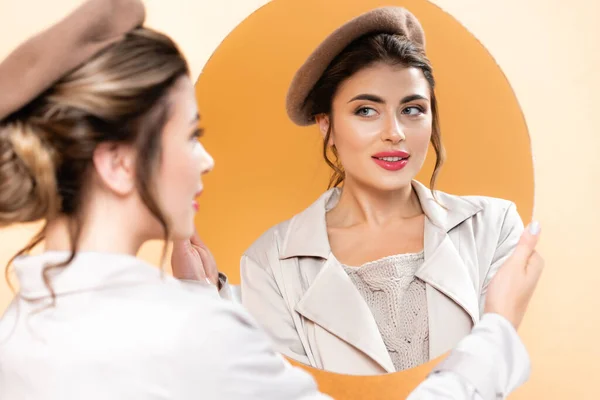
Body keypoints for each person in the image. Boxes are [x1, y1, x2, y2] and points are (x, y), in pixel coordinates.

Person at [0, 1, 544, 399]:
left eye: (413, 109)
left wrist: (209, 299)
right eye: (191, 135)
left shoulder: (15, 331)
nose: (207, 160)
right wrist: (496, 332)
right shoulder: (194, 328)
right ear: (118, 163)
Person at [240, 6, 530, 376]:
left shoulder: (493, 227)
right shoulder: (268, 264)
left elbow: (492, 375)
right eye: (366, 111)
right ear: (326, 126)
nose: (395, 132)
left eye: (412, 109)